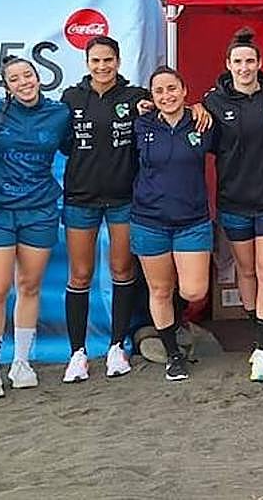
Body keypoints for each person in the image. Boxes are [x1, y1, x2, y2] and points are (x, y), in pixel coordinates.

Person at [60, 36, 156, 383]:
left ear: (118, 61)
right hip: (80, 199)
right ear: (87, 63)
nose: (102, 67)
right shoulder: (71, 98)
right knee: (80, 275)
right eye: (96, 61)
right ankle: (77, 352)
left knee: (121, 269)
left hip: (123, 200)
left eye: (108, 60)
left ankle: (117, 345)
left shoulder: (135, 99)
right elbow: (61, 142)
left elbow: (167, 111)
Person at [0, 56, 71, 399]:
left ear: (38, 76)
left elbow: (80, 149)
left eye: (28, 75)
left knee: (29, 286)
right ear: (7, 85)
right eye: (15, 79)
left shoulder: (59, 114)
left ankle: (21, 363)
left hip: (40, 211)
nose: (24, 82)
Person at [203, 28, 263, 383]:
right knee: (248, 272)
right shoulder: (213, 103)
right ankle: (260, 335)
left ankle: (262, 347)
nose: (244, 67)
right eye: (238, 62)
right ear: (228, 65)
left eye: (250, 61)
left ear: (259, 63)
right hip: (234, 201)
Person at [131, 67, 217, 382]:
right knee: (160, 288)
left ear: (184, 90)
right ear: (152, 97)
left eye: (172, 89)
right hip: (149, 220)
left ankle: (179, 323)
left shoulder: (202, 123)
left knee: (194, 290)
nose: (166, 96)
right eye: (159, 91)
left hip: (192, 220)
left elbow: (222, 101)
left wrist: (201, 107)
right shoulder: (141, 125)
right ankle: (172, 353)